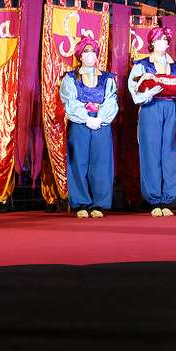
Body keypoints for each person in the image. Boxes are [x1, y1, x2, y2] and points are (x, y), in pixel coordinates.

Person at [128, 26, 176, 216]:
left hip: (171, 108)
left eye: (166, 39)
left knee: (172, 152)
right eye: (160, 39)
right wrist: (147, 94)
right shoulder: (142, 65)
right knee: (151, 153)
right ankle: (154, 200)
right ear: (152, 42)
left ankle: (168, 199)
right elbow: (134, 89)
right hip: (150, 108)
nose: (164, 42)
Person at [60, 38, 118, 218]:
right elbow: (69, 101)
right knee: (79, 162)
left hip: (102, 123)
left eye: (92, 51)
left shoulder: (107, 78)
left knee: (101, 162)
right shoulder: (70, 78)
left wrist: (100, 118)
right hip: (80, 124)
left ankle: (99, 203)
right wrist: (86, 118)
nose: (90, 54)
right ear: (80, 55)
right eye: (86, 51)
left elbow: (111, 100)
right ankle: (81, 203)